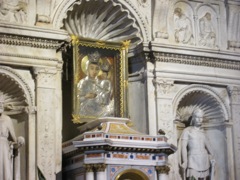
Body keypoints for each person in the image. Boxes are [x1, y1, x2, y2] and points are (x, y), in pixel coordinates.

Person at [179, 108, 215, 180]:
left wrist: (212, 157)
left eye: (201, 117)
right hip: (192, 160)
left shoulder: (203, 133)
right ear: (193, 118)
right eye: (197, 117)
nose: (199, 119)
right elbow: (183, 147)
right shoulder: (187, 131)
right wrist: (185, 161)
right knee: (192, 178)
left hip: (204, 160)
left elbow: (209, 148)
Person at [77, 51, 103, 117]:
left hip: (98, 110)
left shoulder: (101, 83)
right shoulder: (83, 82)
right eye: (92, 68)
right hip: (85, 111)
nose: (94, 71)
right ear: (87, 69)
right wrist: (86, 96)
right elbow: (77, 99)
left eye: (97, 69)